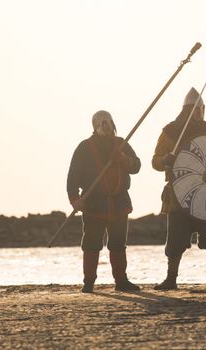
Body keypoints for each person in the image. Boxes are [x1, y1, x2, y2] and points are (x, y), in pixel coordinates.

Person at [151, 87, 206, 290]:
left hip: (204, 192)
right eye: (195, 109)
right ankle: (171, 278)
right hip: (178, 193)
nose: (199, 113)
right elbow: (155, 161)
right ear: (187, 109)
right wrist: (166, 159)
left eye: (201, 109)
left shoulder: (205, 130)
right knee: (176, 240)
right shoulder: (169, 132)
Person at [67, 110, 142, 293]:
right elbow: (73, 177)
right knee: (92, 243)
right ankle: (89, 282)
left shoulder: (121, 144)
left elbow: (136, 166)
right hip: (94, 203)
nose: (106, 126)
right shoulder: (85, 148)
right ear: (95, 126)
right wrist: (75, 199)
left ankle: (121, 281)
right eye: (102, 123)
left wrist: (123, 159)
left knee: (117, 243)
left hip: (119, 202)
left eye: (108, 122)